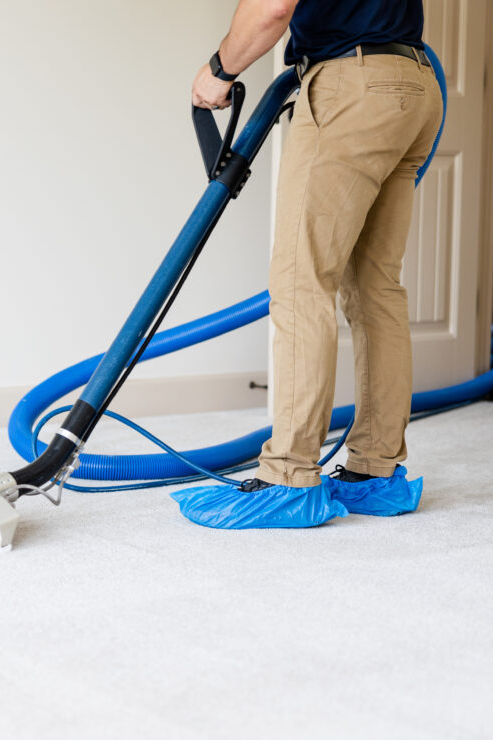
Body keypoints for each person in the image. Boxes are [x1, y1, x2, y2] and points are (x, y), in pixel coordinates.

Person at [177, 0, 442, 528]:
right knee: (376, 287)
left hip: (352, 85)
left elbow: (273, 8)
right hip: (415, 83)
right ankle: (376, 471)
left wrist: (219, 70)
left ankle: (289, 476)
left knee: (302, 280)